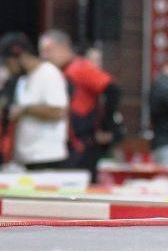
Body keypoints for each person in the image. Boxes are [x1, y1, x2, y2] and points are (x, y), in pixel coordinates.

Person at [38, 29, 123, 179]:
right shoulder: (55, 73)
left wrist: (106, 126)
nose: (45, 56)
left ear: (62, 47)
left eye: (48, 50)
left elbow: (112, 89)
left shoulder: (80, 68)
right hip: (65, 144)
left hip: (83, 143)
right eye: (42, 52)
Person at [0, 32, 68, 170]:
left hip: (47, 157)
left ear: (19, 57)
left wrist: (25, 110)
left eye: (9, 63)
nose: (9, 68)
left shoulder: (48, 73)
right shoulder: (23, 80)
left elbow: (58, 112)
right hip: (25, 157)